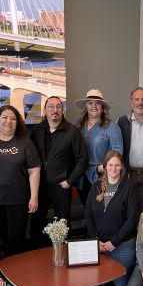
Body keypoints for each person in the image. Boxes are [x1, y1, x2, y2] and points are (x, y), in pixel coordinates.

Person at [0, 105, 40, 256]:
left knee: (15, 240)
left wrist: (34, 196)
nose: (8, 121)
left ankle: (15, 275)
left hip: (18, 201)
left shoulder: (25, 143)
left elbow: (34, 170)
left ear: (17, 122)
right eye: (4, 118)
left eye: (13, 118)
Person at [30, 96, 88, 245]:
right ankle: (37, 258)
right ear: (45, 110)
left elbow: (83, 159)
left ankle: (63, 257)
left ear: (62, 110)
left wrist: (70, 181)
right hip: (39, 186)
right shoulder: (36, 132)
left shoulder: (72, 132)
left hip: (61, 187)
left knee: (63, 226)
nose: (54, 110)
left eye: (58, 107)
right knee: (36, 224)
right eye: (51, 107)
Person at [85, 150, 139, 286]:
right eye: (110, 165)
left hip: (122, 244)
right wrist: (95, 240)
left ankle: (136, 271)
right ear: (105, 166)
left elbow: (132, 219)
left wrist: (114, 241)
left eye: (117, 165)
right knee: (98, 285)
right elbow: (88, 215)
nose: (113, 168)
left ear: (122, 166)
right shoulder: (96, 186)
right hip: (100, 245)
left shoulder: (129, 187)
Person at [75, 89, 123, 206]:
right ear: (86, 106)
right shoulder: (78, 124)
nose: (94, 106)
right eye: (90, 103)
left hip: (100, 177)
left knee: (100, 212)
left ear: (102, 107)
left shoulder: (112, 127)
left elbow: (117, 152)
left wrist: (103, 167)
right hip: (81, 175)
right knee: (87, 211)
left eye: (97, 103)